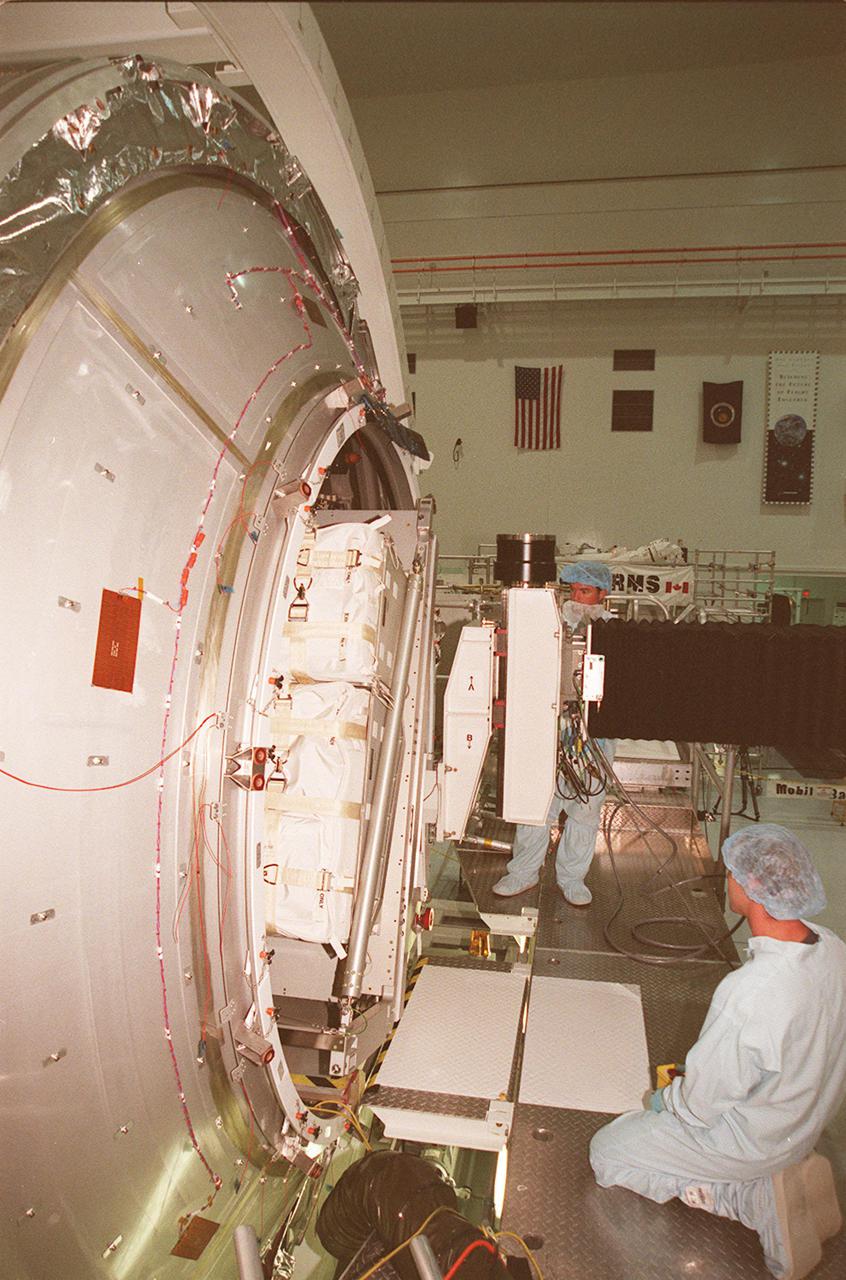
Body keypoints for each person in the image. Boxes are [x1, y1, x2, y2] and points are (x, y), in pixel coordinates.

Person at [589, 824, 846, 1278]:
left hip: (749, 1142)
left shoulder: (750, 992)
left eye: (730, 872)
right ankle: (781, 1172)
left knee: (608, 1153)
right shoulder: (832, 948)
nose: (725, 878)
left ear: (752, 889)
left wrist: (664, 1101)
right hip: (803, 1124)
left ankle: (748, 1197)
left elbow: (700, 1106)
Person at [493, 561, 615, 907]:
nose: (577, 597)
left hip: (594, 733)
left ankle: (572, 878)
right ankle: (523, 873)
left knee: (585, 808)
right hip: (545, 725)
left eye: (585, 591)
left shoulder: (614, 630)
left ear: (602, 594)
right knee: (536, 803)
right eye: (573, 590)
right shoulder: (547, 622)